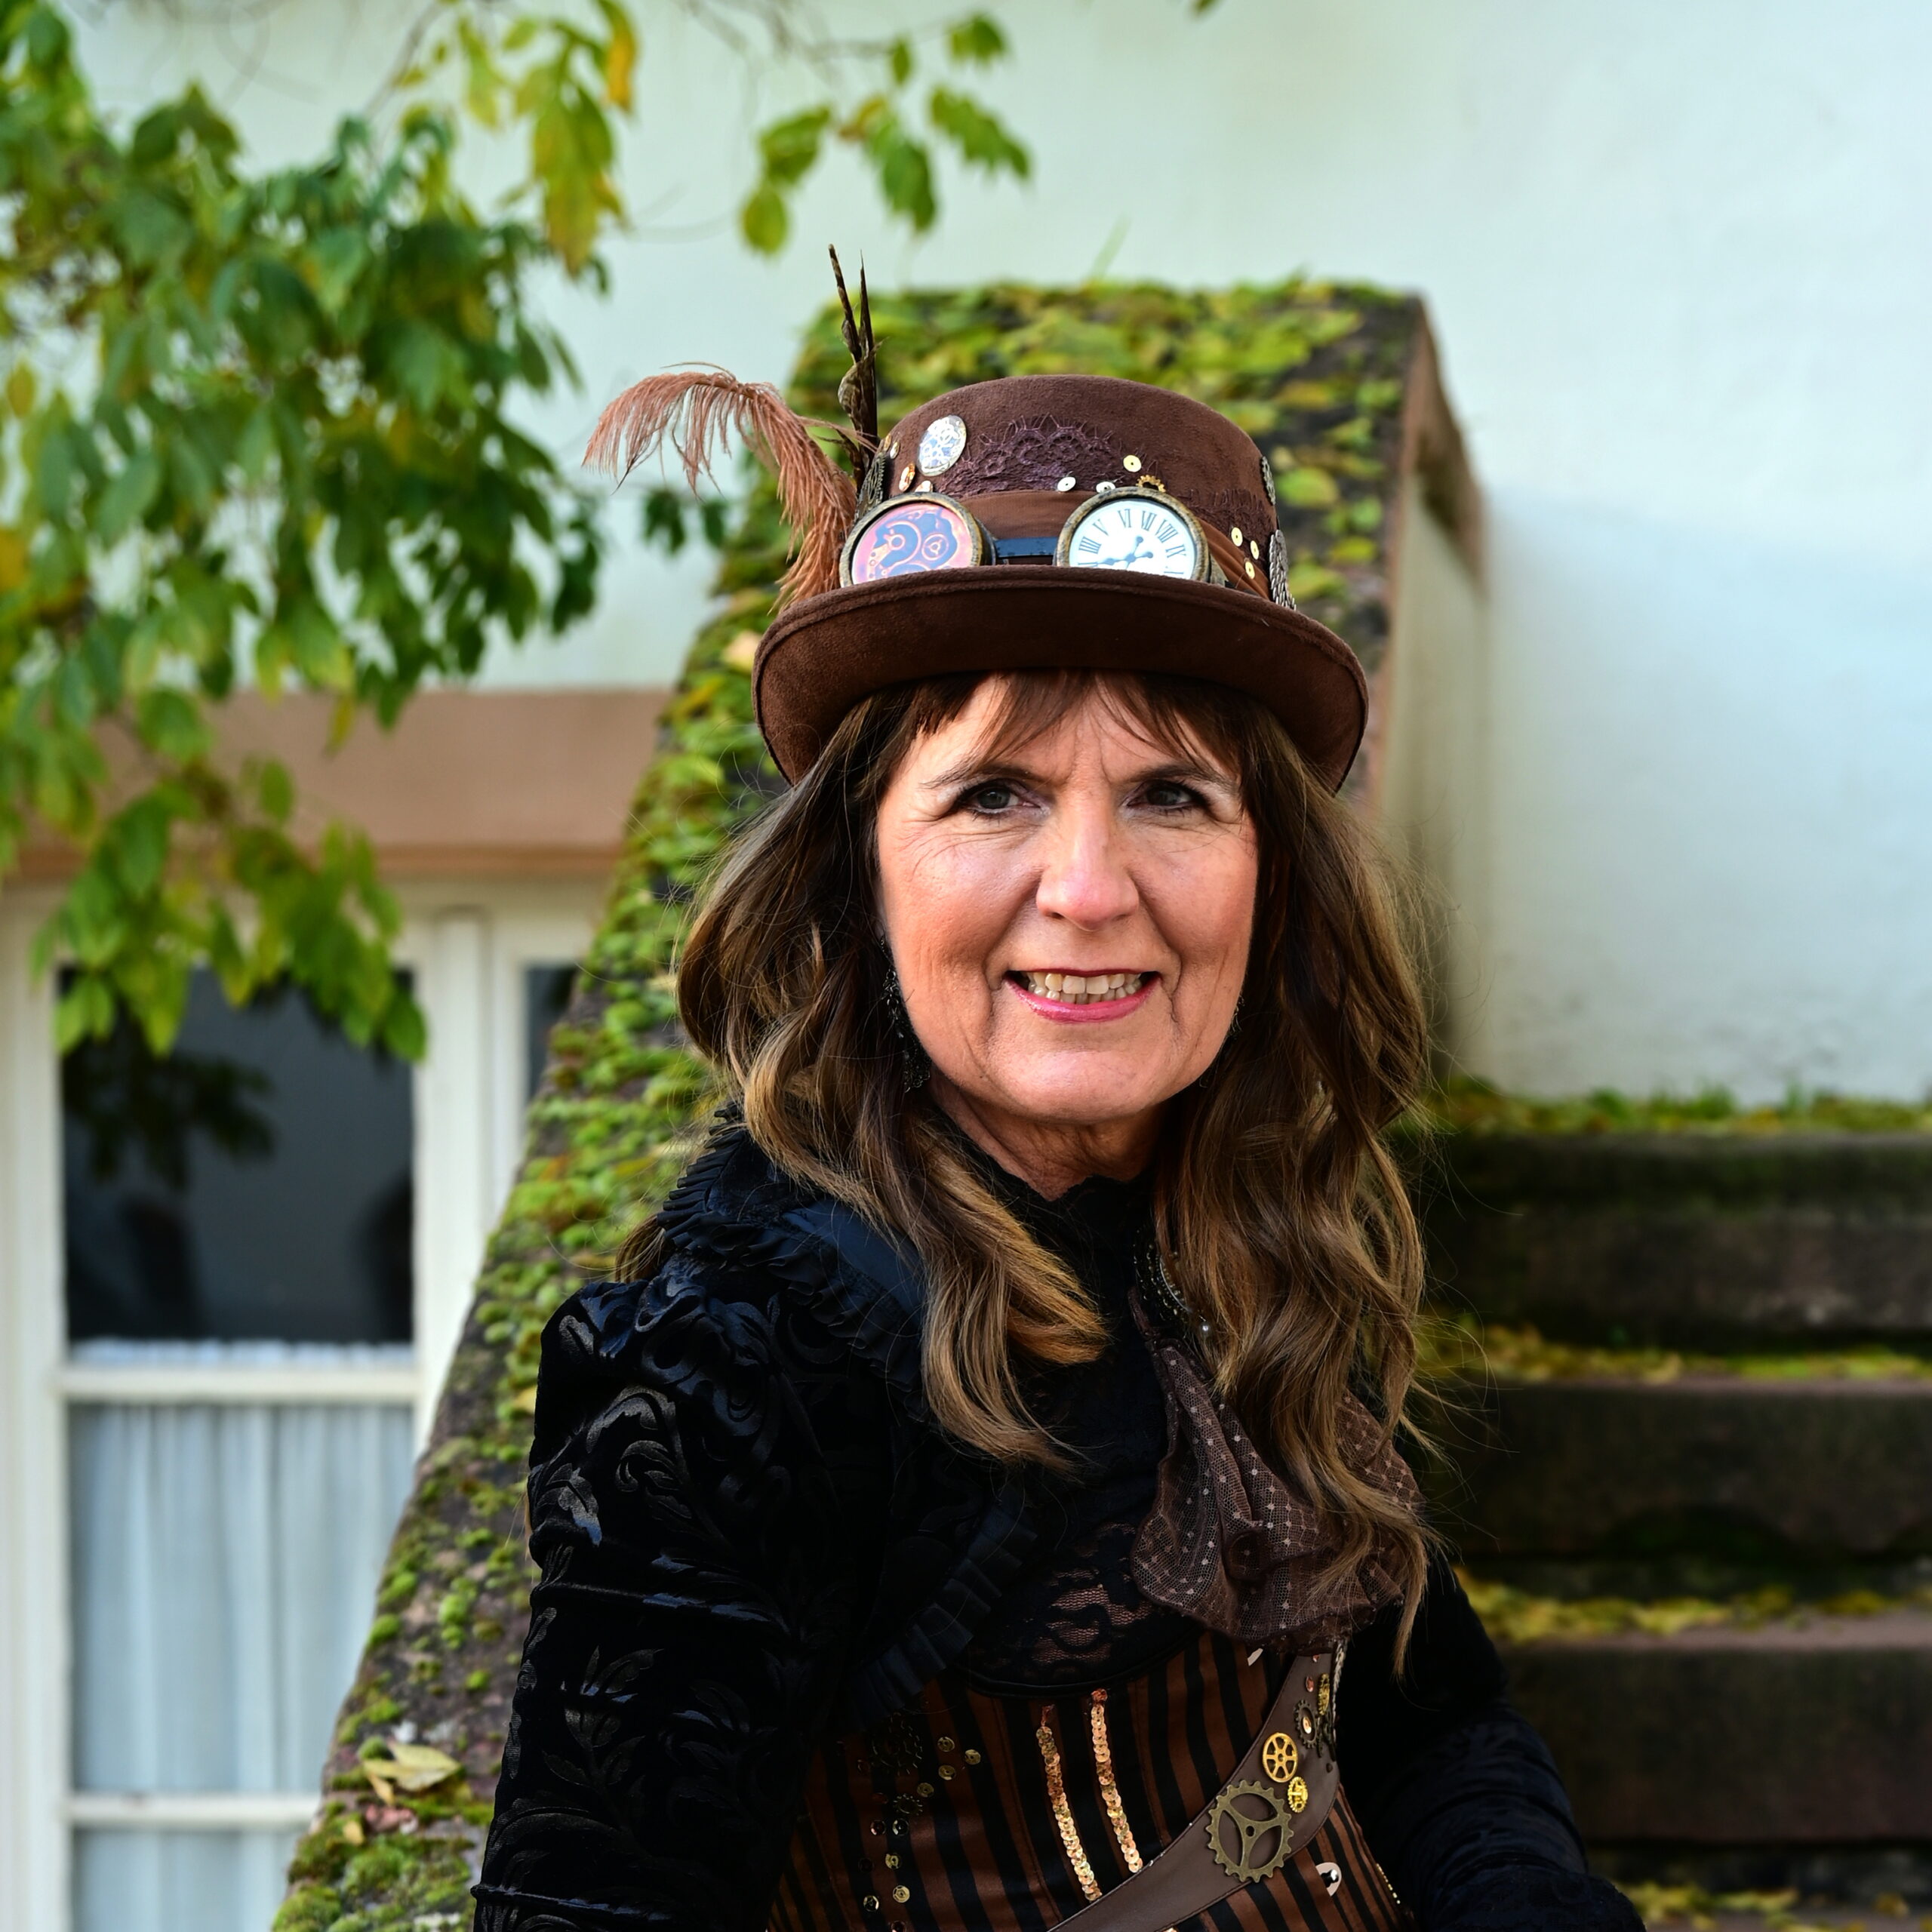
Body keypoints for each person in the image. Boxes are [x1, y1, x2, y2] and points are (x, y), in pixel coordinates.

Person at [473, 361, 1643, 1932]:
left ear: (1270, 870)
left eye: (1171, 795)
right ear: (857, 877)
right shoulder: (745, 1367)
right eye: (993, 797)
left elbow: (1427, 1722)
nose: (1088, 890)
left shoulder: (1248, 1232)